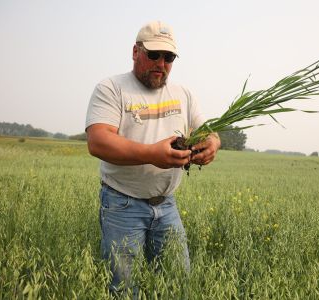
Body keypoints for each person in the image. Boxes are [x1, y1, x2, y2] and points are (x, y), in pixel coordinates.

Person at [85, 20, 220, 294]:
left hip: (166, 205)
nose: (162, 63)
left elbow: (207, 131)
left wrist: (212, 143)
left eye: (169, 57)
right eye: (154, 55)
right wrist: (152, 154)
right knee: (123, 288)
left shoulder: (183, 94)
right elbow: (98, 141)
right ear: (136, 52)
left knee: (177, 282)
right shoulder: (111, 88)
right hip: (122, 204)